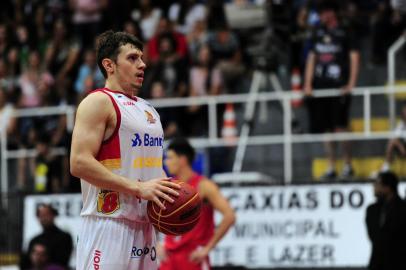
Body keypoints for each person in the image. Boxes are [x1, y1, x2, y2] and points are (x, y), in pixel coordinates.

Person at [70, 30, 180, 270]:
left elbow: (152, 167)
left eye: (141, 58)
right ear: (109, 65)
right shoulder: (98, 102)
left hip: (146, 228)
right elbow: (78, 163)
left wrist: (171, 197)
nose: (142, 64)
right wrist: (139, 188)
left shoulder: (149, 109)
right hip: (109, 224)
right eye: (132, 58)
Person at [158, 138, 236, 270]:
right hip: (169, 258)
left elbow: (230, 216)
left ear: (182, 160)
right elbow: (153, 217)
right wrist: (156, 243)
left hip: (192, 258)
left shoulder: (204, 185)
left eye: (170, 158)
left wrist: (207, 248)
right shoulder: (168, 185)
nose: (166, 162)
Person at [303, 1, 360, 180]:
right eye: (320, 13)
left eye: (325, 12)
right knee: (326, 129)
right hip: (321, 86)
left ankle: (348, 164)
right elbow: (312, 58)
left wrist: (351, 83)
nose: (322, 16)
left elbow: (354, 56)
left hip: (339, 86)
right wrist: (307, 84)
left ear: (332, 13)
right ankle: (330, 166)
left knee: (340, 127)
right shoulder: (317, 32)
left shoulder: (345, 31)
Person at [366, 171, 406, 270]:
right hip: (378, 263)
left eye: (377, 184)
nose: (374, 187)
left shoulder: (403, 208)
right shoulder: (372, 210)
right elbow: (374, 237)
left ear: (387, 188)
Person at [25, 204, 72, 269]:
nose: (44, 218)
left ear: (53, 215)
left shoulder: (64, 237)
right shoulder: (34, 240)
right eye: (41, 215)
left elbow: (62, 261)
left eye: (46, 215)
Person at [381, 102, 406, 172]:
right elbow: (395, 137)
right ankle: (386, 167)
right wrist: (402, 148)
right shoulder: (401, 124)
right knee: (392, 142)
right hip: (404, 149)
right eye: (404, 112)